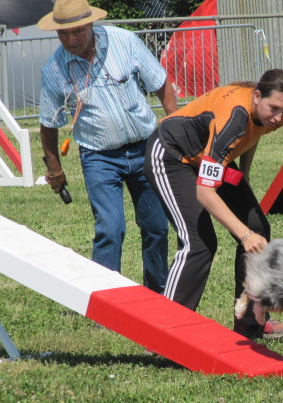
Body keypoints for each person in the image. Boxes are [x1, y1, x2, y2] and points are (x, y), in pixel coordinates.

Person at [145, 69, 283, 339]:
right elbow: (205, 193)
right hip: (172, 156)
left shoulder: (271, 113)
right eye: (274, 109)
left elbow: (255, 133)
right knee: (199, 242)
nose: (279, 118)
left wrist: (245, 177)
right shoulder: (234, 119)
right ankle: (163, 333)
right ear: (257, 95)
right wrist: (244, 235)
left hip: (210, 159)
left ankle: (250, 322)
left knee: (257, 227)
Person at [37, 0, 178, 292]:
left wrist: (175, 133)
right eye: (63, 34)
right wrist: (54, 169)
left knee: (156, 227)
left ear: (90, 24)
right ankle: (106, 300)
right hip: (99, 157)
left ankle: (158, 294)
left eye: (77, 32)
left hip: (146, 147)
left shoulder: (124, 41)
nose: (71, 40)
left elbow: (162, 84)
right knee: (110, 230)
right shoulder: (54, 70)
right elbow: (49, 124)